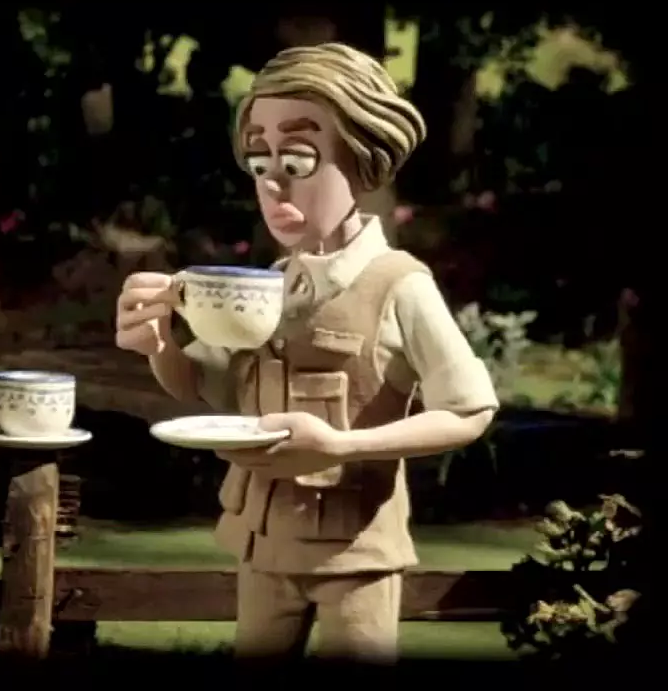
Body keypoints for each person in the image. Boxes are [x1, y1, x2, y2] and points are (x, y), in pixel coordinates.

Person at [114, 42, 498, 662]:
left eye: (297, 157)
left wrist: (342, 446)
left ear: (363, 160)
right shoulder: (272, 281)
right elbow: (207, 388)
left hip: (355, 551)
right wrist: (158, 343)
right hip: (262, 544)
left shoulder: (399, 284)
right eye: (259, 160)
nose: (273, 182)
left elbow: (470, 410)